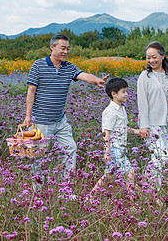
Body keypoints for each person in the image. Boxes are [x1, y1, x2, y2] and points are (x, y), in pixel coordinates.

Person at [24, 33, 109, 182]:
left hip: (60, 121)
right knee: (37, 156)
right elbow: (31, 91)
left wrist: (96, 80)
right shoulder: (38, 65)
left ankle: (65, 187)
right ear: (52, 47)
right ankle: (36, 192)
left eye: (68, 49)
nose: (66, 52)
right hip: (41, 122)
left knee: (70, 148)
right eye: (63, 48)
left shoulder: (68, 67)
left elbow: (83, 75)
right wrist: (28, 117)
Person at [90, 78, 142, 195]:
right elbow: (106, 132)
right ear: (114, 94)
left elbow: (123, 127)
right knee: (130, 173)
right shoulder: (110, 111)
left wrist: (138, 132)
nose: (126, 94)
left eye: (126, 91)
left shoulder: (121, 108)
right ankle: (132, 201)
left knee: (108, 175)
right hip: (115, 148)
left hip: (119, 147)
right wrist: (107, 150)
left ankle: (90, 197)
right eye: (123, 92)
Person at [137, 41, 168, 190]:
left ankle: (152, 190)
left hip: (166, 122)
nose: (151, 60)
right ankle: (149, 188)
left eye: (154, 57)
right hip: (151, 123)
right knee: (161, 156)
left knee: (159, 158)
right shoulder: (145, 76)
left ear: (162, 56)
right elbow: (142, 103)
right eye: (148, 58)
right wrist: (144, 126)